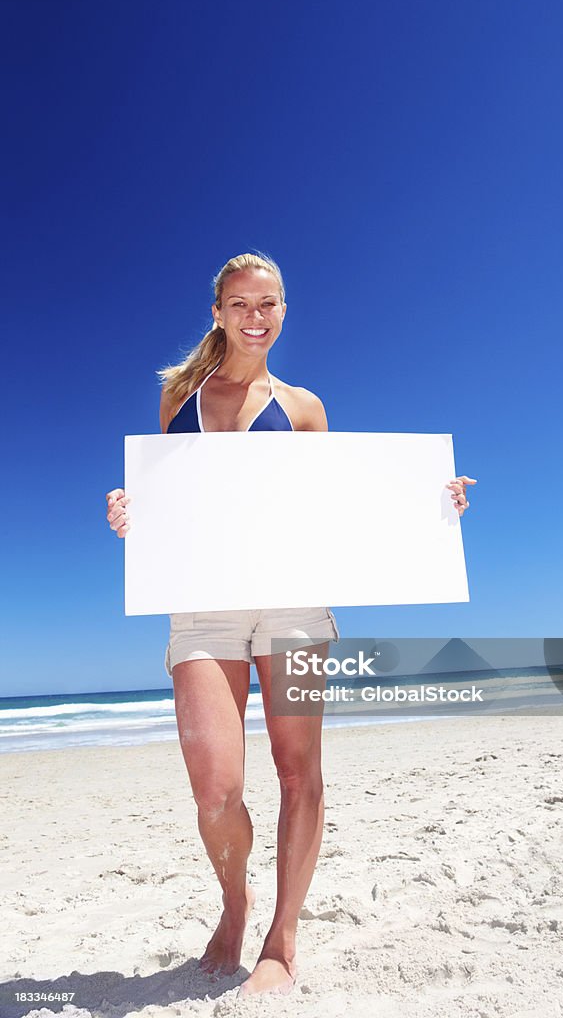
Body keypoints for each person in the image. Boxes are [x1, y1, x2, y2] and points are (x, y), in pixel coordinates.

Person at [105, 251, 476, 997]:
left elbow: (334, 506)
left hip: (295, 606)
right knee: (215, 789)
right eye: (240, 303)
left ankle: (282, 936)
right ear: (217, 311)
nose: (255, 316)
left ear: (283, 311)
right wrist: (130, 517)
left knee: (298, 769)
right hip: (202, 604)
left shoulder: (304, 408)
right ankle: (235, 903)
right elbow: (175, 504)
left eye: (268, 303)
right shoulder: (179, 397)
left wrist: (432, 507)